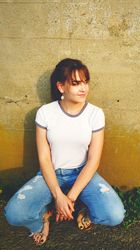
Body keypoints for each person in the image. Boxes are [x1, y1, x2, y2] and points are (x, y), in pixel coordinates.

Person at [3, 58, 126, 245]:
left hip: (82, 173)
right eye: (76, 83)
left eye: (85, 82)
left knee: (115, 215)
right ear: (61, 87)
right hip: (52, 173)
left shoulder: (95, 114)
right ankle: (41, 219)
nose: (83, 88)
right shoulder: (45, 113)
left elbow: (93, 160)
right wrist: (58, 196)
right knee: (13, 214)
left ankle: (84, 212)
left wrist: (70, 198)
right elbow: (44, 158)